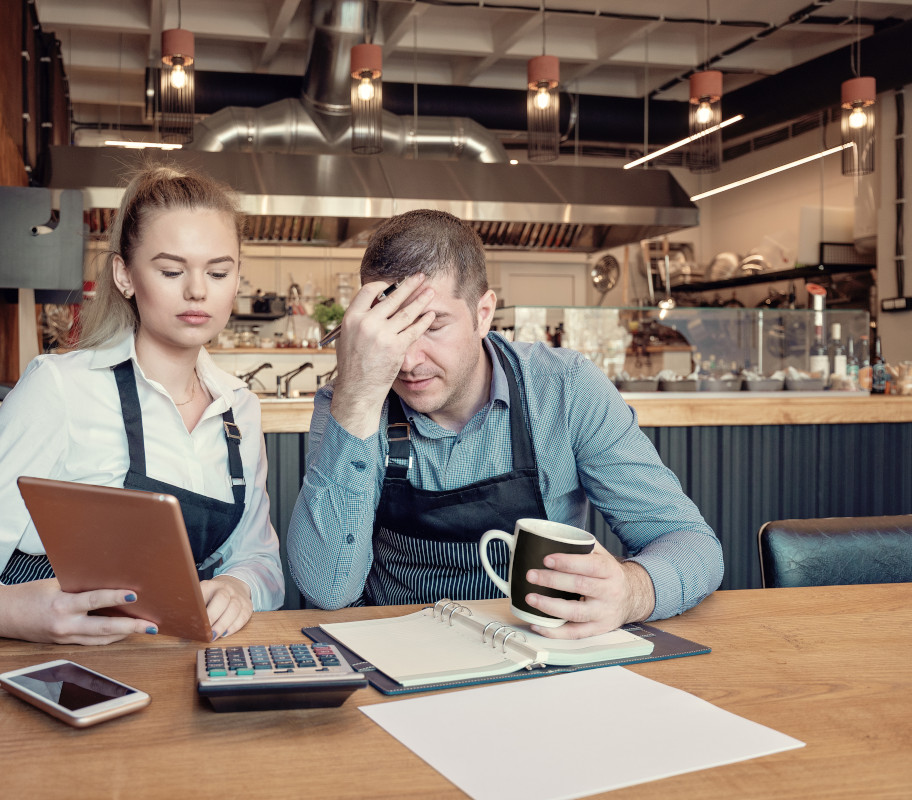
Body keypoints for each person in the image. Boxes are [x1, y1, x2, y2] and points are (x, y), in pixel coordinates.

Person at [286, 209, 722, 639]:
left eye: (433, 325)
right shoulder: (349, 401)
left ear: (483, 313)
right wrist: (358, 397)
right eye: (391, 330)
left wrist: (632, 592)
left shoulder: (564, 388)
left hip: (538, 649)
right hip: (397, 653)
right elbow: (328, 588)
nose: (409, 360)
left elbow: (690, 542)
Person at [0, 165, 284, 645]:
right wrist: (5, 610)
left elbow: (259, 559)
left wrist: (240, 585)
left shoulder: (239, 409)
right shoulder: (60, 388)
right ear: (124, 275)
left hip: (167, 660)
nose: (198, 290)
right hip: (41, 660)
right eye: (171, 271)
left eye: (218, 271)